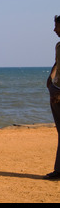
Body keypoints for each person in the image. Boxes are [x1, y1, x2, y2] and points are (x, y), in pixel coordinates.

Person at [45, 15, 60, 180]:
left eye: (57, 26)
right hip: (55, 90)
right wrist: (50, 79)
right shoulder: (58, 45)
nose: (54, 29)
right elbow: (57, 62)